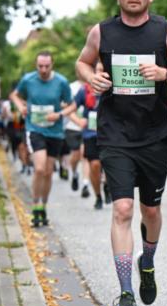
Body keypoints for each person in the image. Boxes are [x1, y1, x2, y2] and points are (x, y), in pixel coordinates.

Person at [76, 0, 167, 306]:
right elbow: (82, 62)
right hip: (114, 134)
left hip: (155, 136)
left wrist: (166, 74)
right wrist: (91, 77)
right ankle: (126, 293)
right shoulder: (102, 31)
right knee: (122, 209)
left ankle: (147, 261)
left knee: (150, 211)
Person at [9, 52, 75, 228]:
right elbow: (14, 95)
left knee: (48, 172)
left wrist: (59, 114)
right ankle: (35, 206)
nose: (43, 70)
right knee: (39, 168)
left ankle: (43, 207)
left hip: (54, 132)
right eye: (40, 66)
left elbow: (72, 105)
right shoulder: (28, 80)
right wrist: (21, 106)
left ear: (52, 65)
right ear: (36, 65)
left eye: (47, 66)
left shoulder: (61, 82)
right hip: (35, 129)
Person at [72, 78, 106, 209]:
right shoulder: (85, 90)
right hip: (91, 134)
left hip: (110, 135)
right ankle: (98, 196)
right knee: (95, 165)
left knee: (110, 165)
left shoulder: (114, 86)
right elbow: (70, 108)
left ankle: (107, 185)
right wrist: (78, 121)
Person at [63, 76, 88, 196]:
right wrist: (78, 121)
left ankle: (85, 184)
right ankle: (74, 173)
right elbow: (65, 106)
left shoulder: (94, 85)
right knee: (75, 155)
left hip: (88, 128)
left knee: (84, 155)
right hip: (72, 127)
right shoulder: (71, 87)